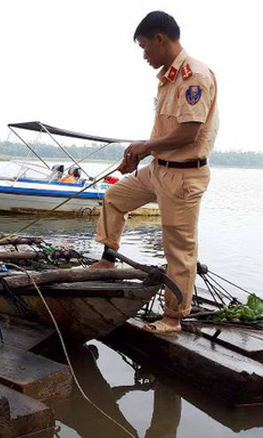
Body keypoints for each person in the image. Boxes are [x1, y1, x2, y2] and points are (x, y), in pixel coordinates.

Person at [93, 11, 219, 333]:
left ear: (160, 39)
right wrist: (139, 154)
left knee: (178, 248)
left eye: (145, 47)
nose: (144, 55)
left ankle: (174, 317)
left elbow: (189, 132)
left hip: (183, 177)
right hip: (157, 170)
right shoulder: (167, 78)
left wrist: (145, 146)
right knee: (114, 197)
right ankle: (108, 259)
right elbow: (165, 133)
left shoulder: (194, 76)